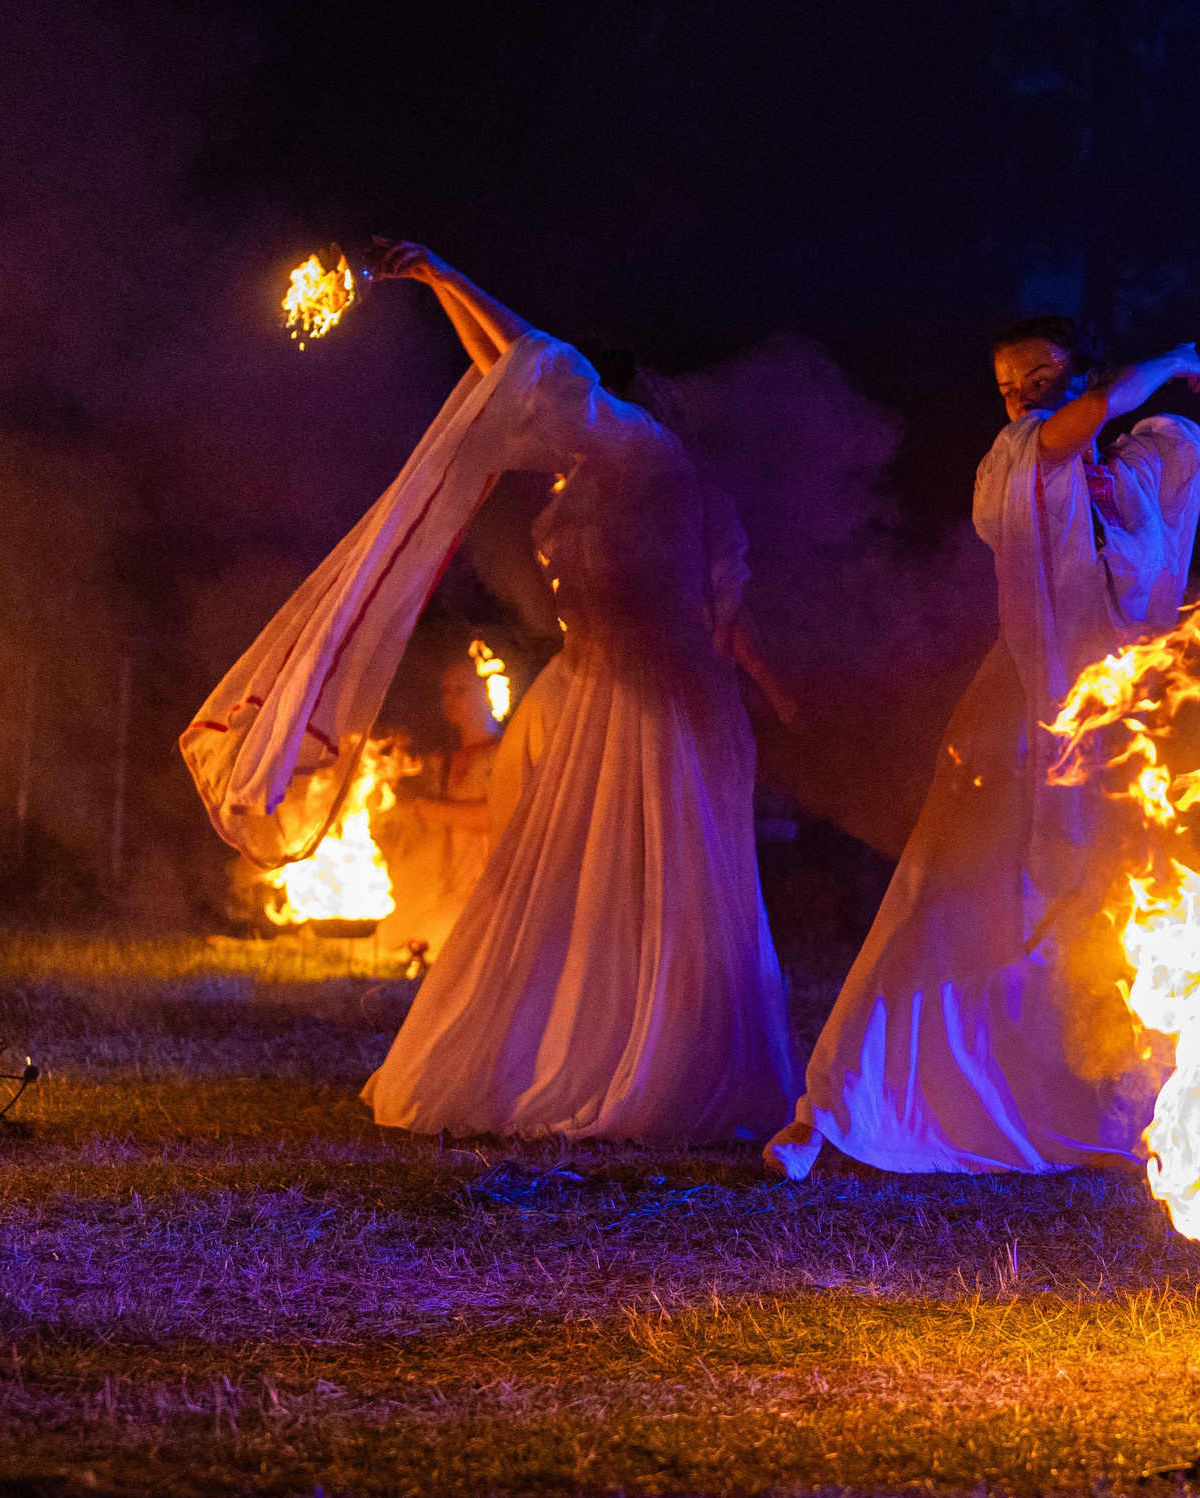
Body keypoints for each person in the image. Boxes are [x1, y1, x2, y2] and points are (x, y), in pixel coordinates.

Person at [185, 237, 799, 1142]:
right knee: (562, 882)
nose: (544, 426)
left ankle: (658, 1060)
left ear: (611, 400)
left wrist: (446, 274)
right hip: (586, 687)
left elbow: (536, 367)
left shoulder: (649, 452)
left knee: (652, 876)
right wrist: (433, 289)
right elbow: (515, 376)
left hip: (651, 694)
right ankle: (556, 1047)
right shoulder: (593, 469)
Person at [768, 232, 1200, 1178]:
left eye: (1041, 377)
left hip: (1118, 732)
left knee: (1106, 915)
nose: (1021, 399)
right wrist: (1162, 360)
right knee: (942, 900)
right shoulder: (1014, 461)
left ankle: (1121, 1108)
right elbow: (1067, 429)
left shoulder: (1140, 464)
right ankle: (837, 1105)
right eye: (1007, 387)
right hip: (1015, 720)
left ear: (1082, 367)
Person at [374, 651, 501, 960]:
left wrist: (420, 806)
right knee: (388, 936)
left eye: (462, 689)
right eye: (447, 691)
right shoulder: (439, 761)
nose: (451, 698)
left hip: (488, 895)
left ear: (488, 691)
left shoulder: (504, 753)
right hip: (440, 891)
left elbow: (494, 818)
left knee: (438, 937)